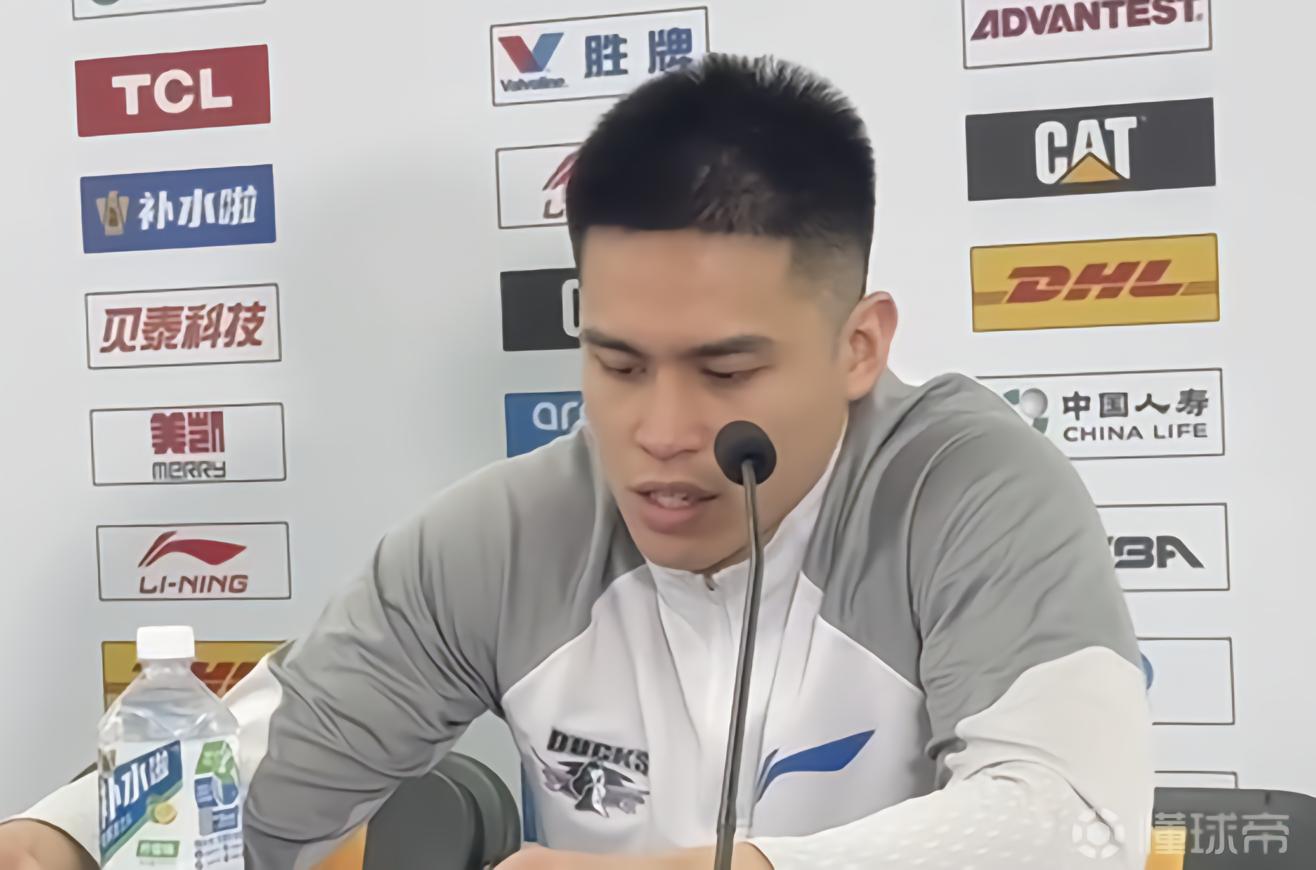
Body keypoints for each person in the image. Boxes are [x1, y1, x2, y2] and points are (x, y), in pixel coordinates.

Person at [0, 54, 1152, 870]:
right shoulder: (506, 535)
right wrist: (59, 842)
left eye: (725, 370)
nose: (660, 430)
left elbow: (1070, 822)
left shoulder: (970, 492)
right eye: (617, 363)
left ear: (858, 346)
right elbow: (242, 789)